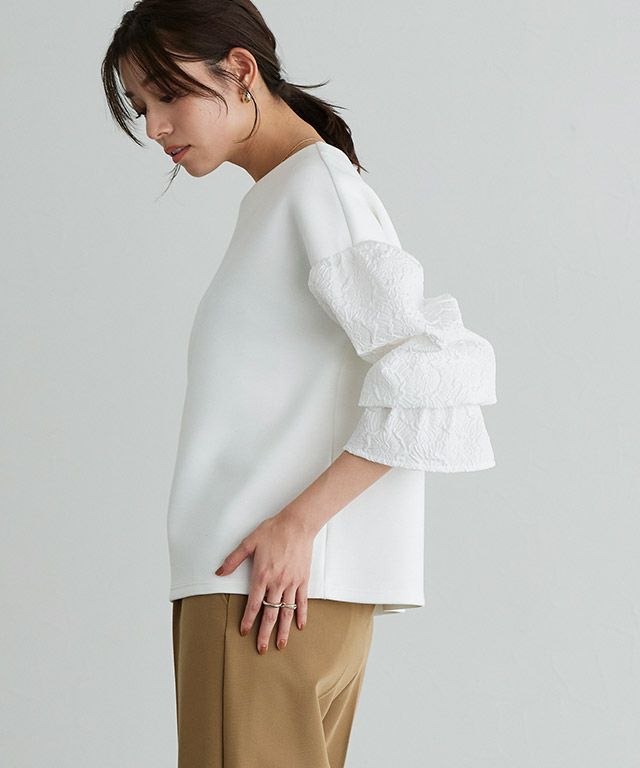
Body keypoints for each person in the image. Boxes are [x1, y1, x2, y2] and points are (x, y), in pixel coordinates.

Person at [101, 1, 497, 766]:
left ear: (240, 70)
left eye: (167, 94)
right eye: (141, 106)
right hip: (284, 595)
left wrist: (298, 524)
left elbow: (433, 367)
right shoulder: (290, 195)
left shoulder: (313, 189)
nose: (155, 127)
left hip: (257, 595)